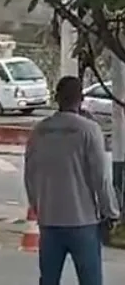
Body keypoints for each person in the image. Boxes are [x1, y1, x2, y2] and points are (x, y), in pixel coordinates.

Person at [24, 76, 120, 285]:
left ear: (57, 98)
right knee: (90, 280)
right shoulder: (88, 130)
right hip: (82, 222)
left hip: (49, 221)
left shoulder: (39, 131)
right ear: (81, 99)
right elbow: (100, 178)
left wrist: (38, 206)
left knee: (48, 279)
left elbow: (29, 175)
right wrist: (111, 212)